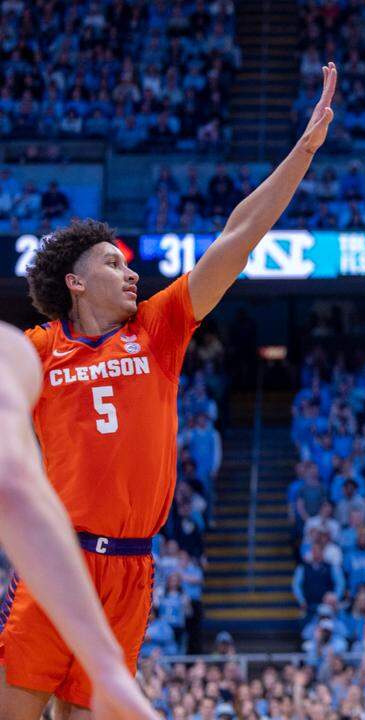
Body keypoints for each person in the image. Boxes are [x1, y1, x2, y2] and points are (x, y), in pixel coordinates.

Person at [0, 64, 338, 719]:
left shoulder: (158, 329)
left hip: (132, 570)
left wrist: (305, 149)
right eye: (113, 264)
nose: (130, 274)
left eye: (128, 265)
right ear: (74, 281)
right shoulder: (40, 349)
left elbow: (238, 237)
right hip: (58, 564)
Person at [0, 323, 157, 719]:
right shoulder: (19, 350)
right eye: (112, 262)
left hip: (117, 558)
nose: (130, 274)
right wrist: (106, 667)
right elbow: (14, 488)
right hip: (66, 549)